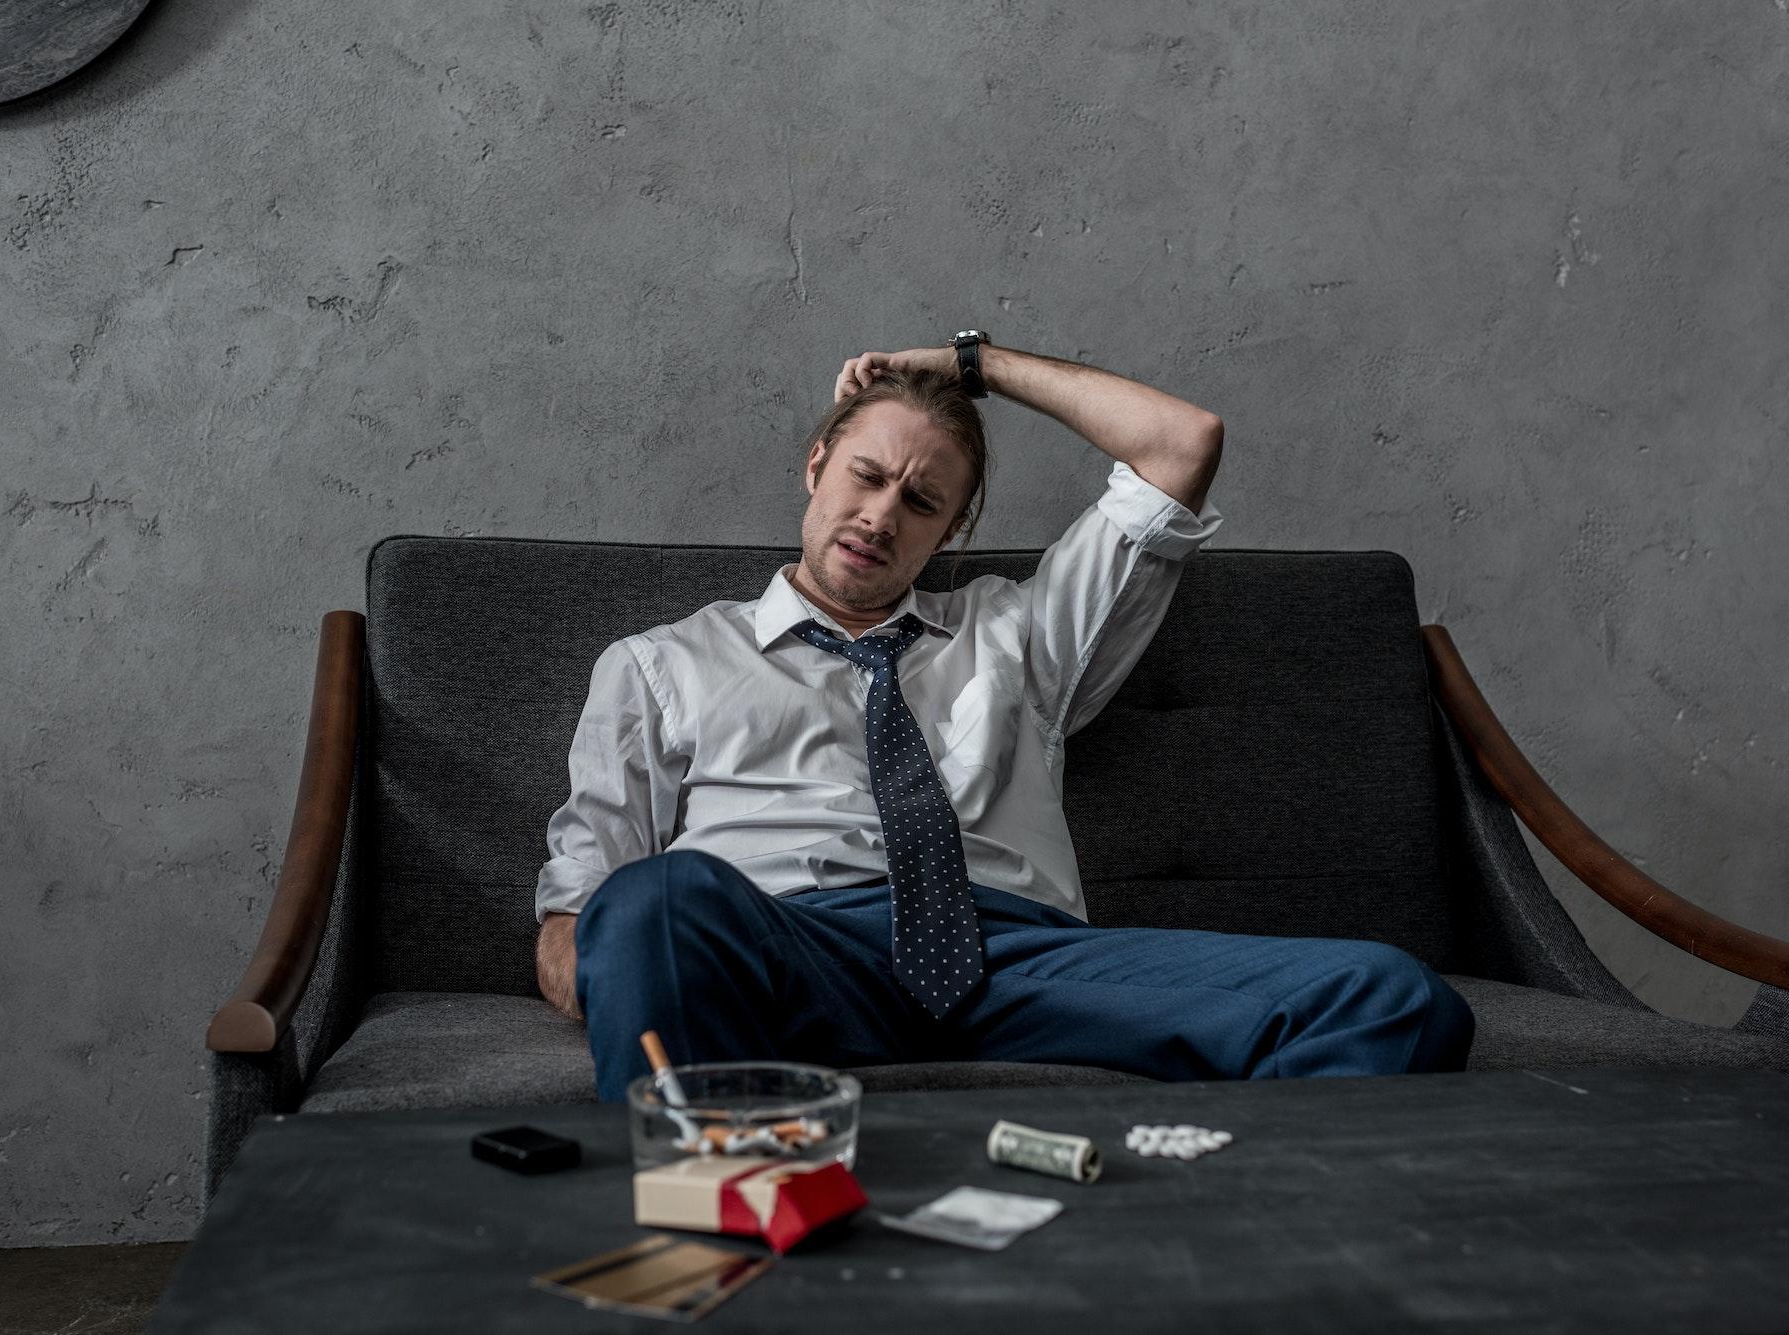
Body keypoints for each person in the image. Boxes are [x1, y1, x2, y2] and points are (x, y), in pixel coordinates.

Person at [533, 336, 1474, 1101]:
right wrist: (652, 975)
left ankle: (1221, 1243)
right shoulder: (660, 664)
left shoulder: (1019, 632)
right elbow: (577, 918)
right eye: (864, 475)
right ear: (816, 465)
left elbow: (1180, 442)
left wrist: (971, 365)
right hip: (791, 953)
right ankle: (729, 1226)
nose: (879, 515)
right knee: (653, 898)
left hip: (1022, 959)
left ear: (953, 530)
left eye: (922, 500)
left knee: (1387, 996)